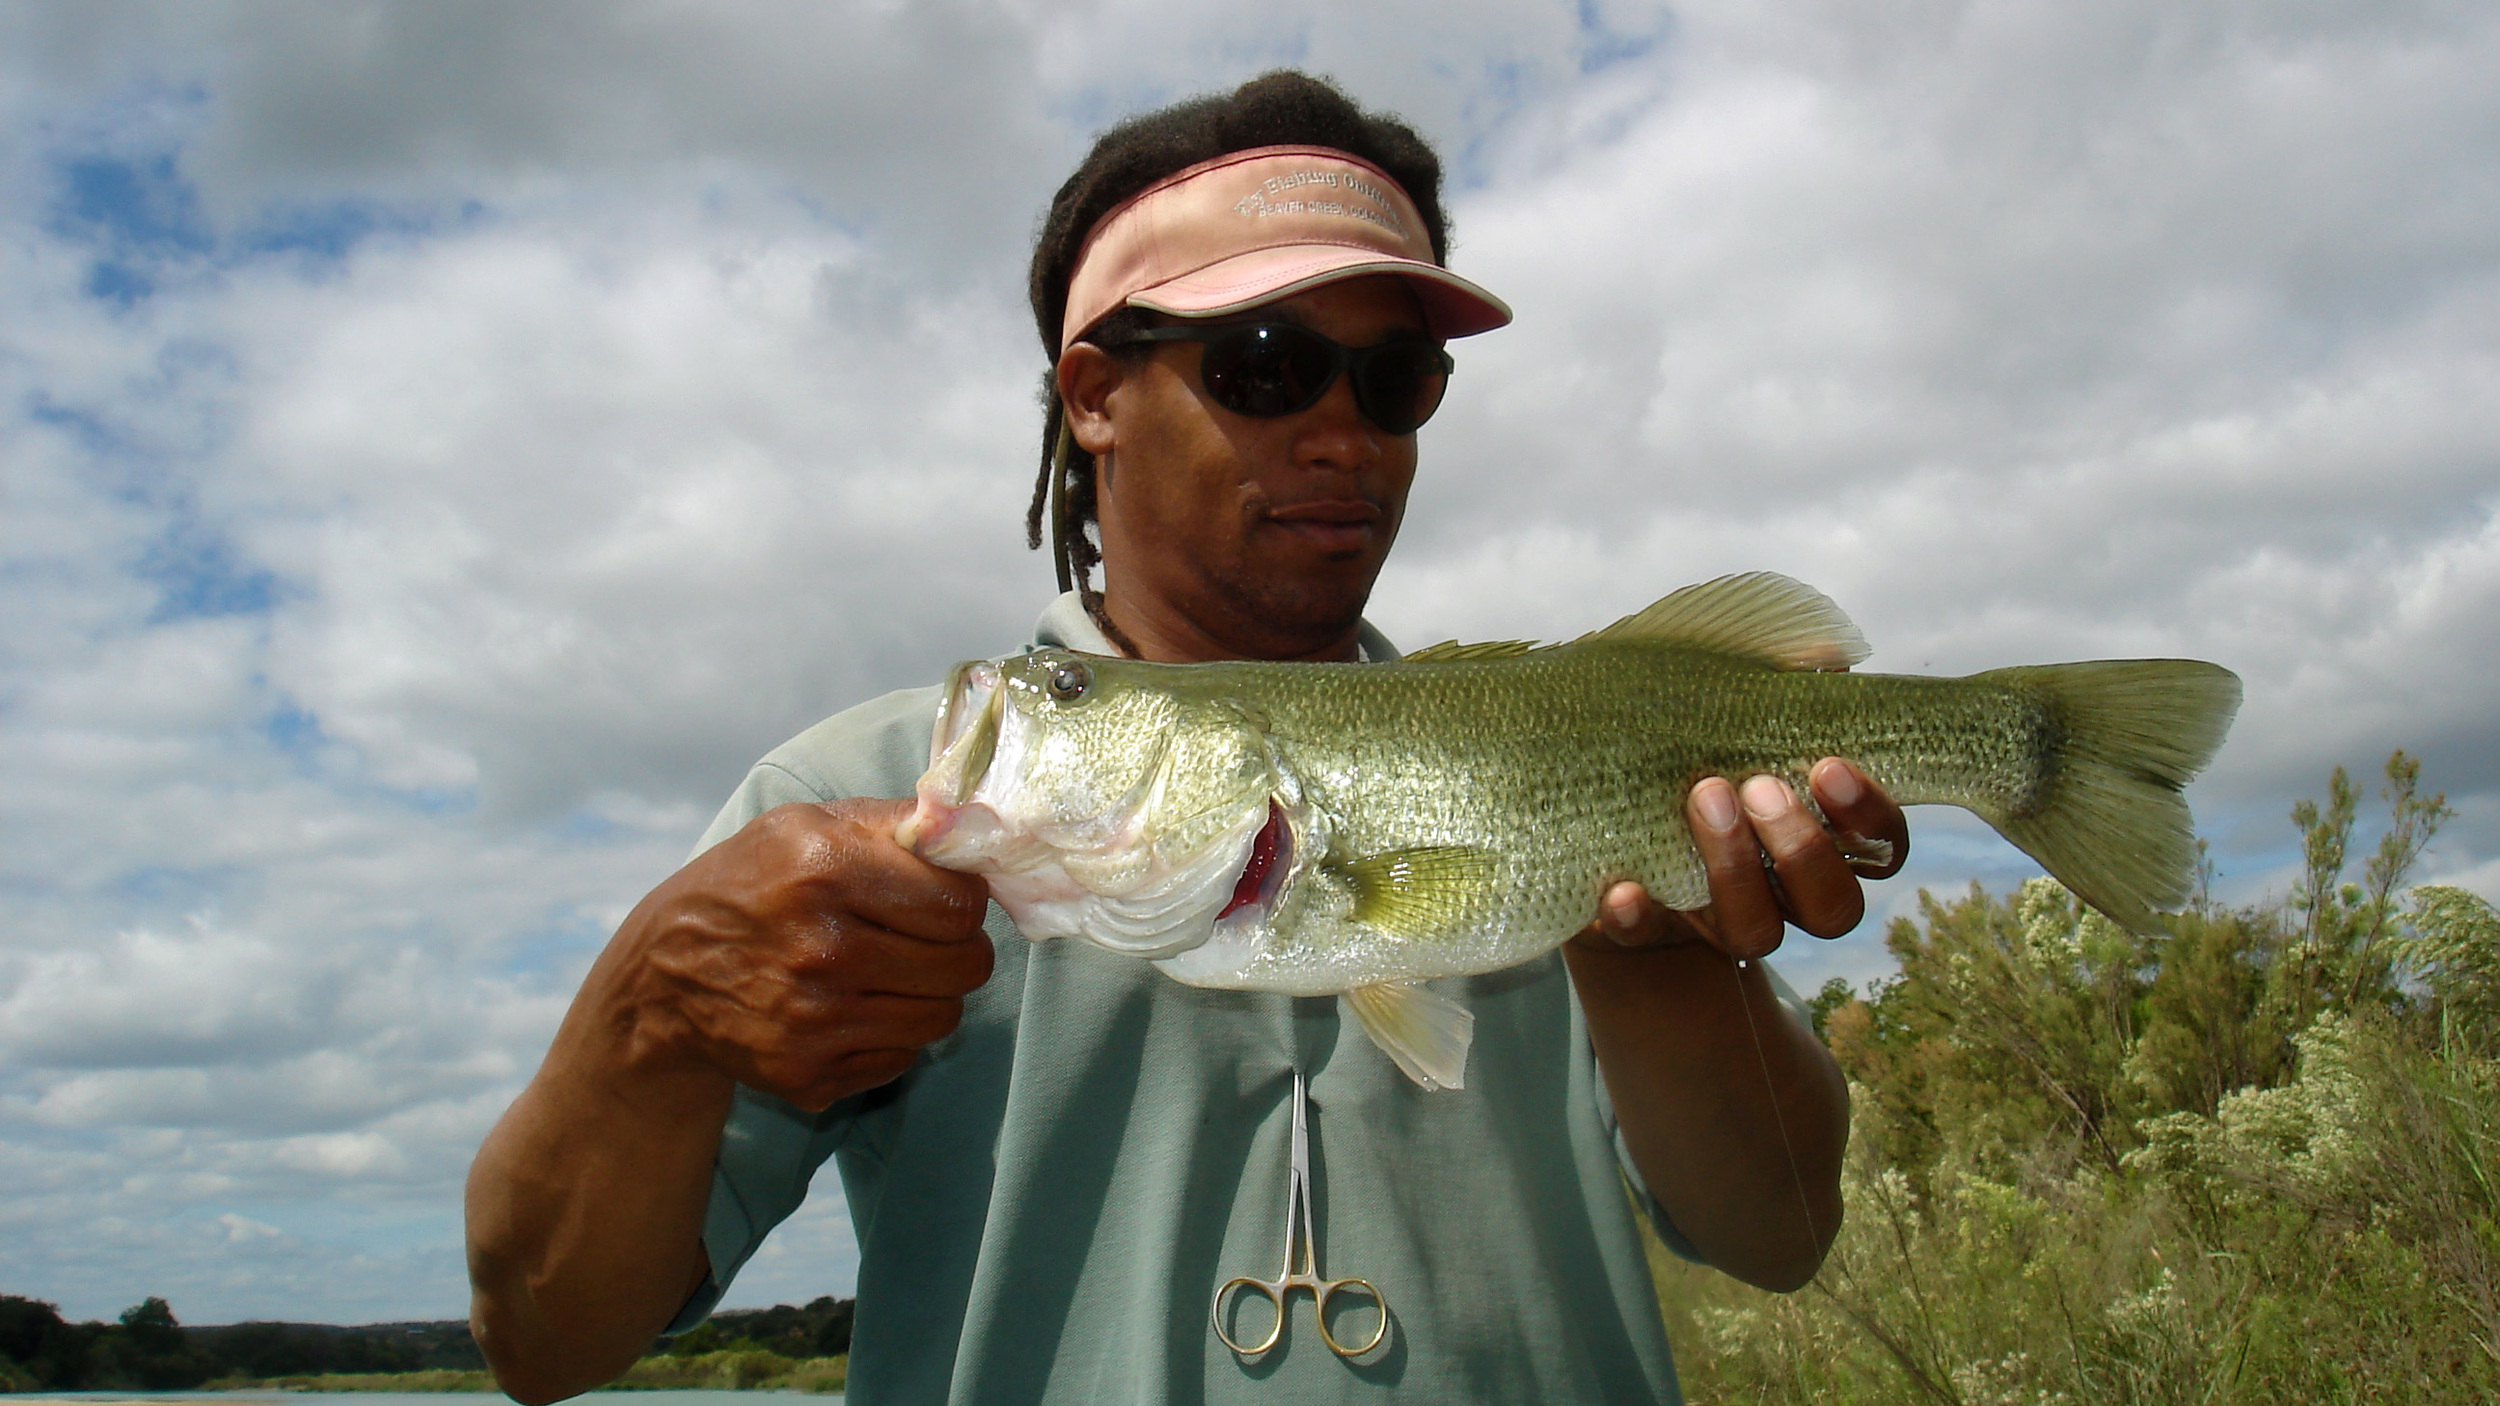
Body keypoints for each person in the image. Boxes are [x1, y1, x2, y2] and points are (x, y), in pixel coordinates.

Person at [465, 71, 1906, 1405]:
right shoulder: (866, 802)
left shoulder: (1547, 760)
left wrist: (1657, 965)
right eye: (1271, 367)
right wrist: (646, 1018)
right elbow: (542, 1336)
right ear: (1094, 395)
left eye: (1396, 377)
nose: (1347, 433)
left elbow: (1777, 1233)